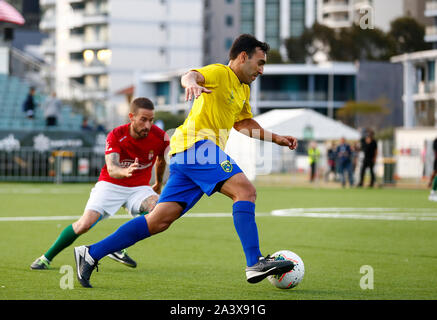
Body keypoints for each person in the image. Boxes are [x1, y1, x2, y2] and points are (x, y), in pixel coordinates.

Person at [73, 34, 298, 288]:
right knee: (245, 191)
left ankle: (90, 253)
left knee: (158, 221)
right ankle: (254, 261)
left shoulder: (243, 88)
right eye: (259, 62)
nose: (261, 70)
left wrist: (276, 138)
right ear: (243, 57)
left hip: (188, 155)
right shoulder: (220, 73)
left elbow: (243, 123)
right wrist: (191, 82)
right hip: (196, 147)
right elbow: (191, 75)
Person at [30, 97, 169, 270]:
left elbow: (161, 160)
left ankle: (118, 247)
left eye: (151, 120)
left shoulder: (159, 136)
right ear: (131, 117)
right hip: (111, 184)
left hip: (138, 188)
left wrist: (157, 184)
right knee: (84, 224)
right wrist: (124, 172)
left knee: (159, 209)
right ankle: (46, 258)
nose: (148, 125)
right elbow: (111, 168)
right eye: (143, 119)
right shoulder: (116, 135)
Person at [429, 137, 437, 202]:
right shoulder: (435, 141)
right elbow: (435, 151)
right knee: (435, 173)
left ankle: (432, 193)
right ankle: (432, 193)